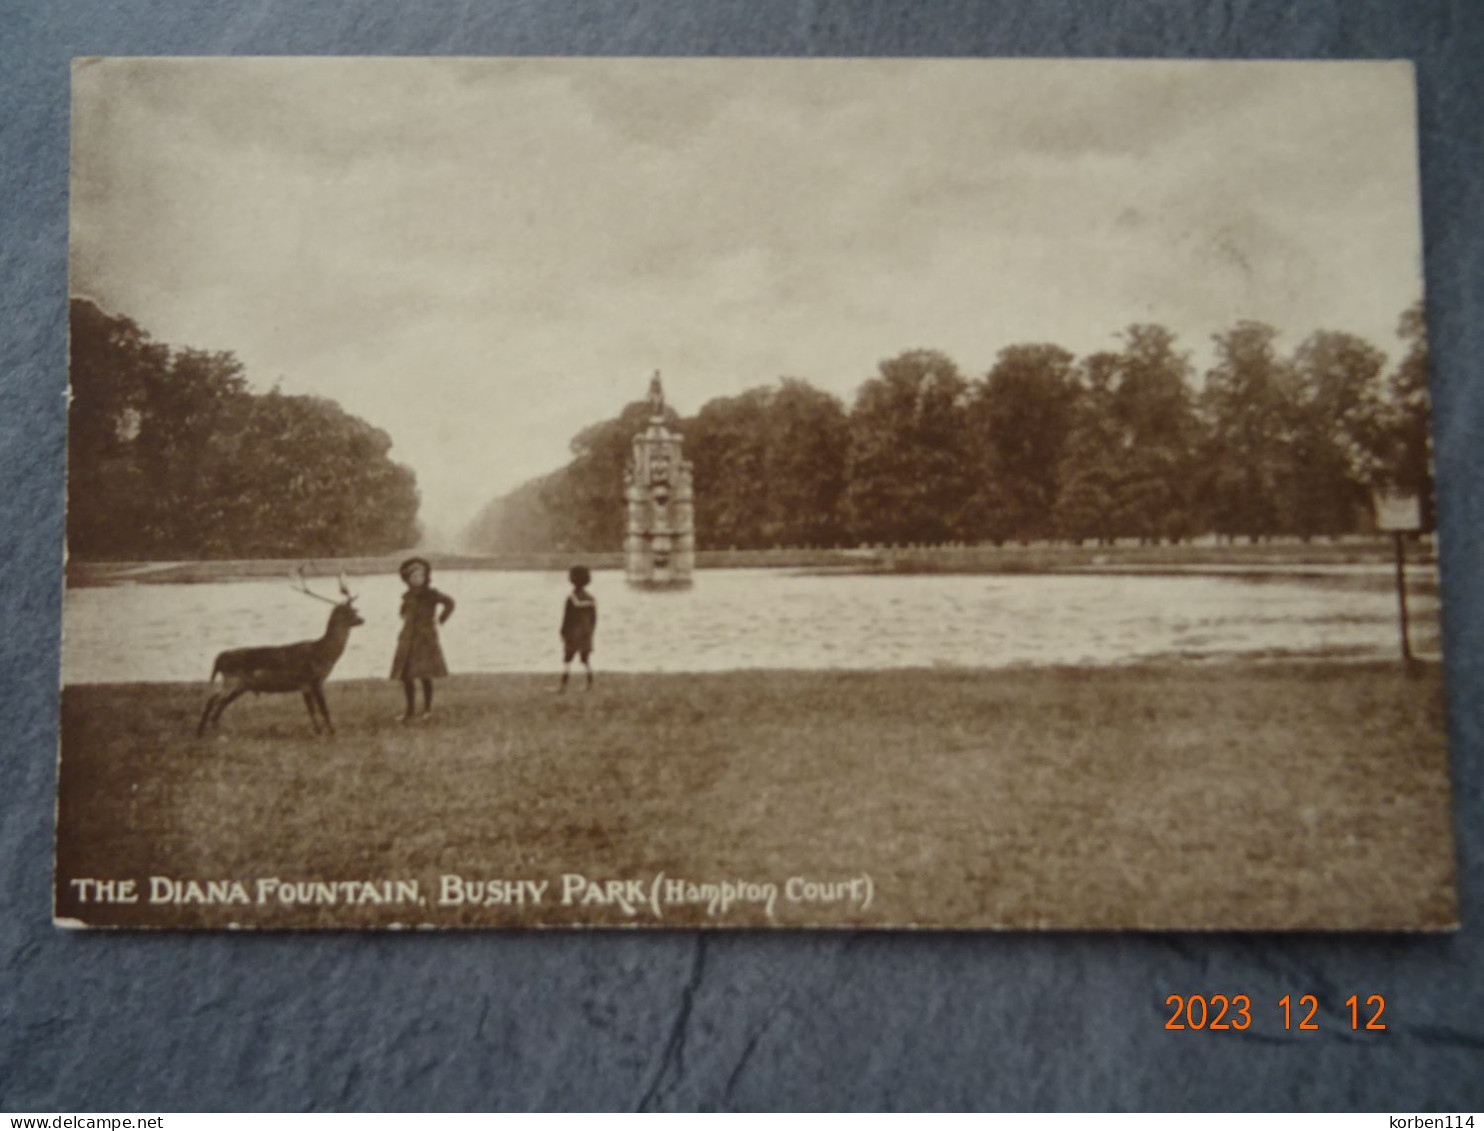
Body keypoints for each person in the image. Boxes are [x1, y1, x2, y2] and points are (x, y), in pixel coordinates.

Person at [390, 557, 455, 721]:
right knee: (406, 676)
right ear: (407, 579)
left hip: (425, 638)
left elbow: (450, 602)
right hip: (408, 638)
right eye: (414, 576)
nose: (418, 579)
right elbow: (403, 613)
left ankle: (427, 710)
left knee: (425, 674)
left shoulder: (432, 594)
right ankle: (409, 711)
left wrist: (441, 618)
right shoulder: (407, 596)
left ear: (426, 577)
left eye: (421, 576)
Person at [559, 565, 597, 691]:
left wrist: (563, 631)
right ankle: (589, 683)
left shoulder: (571, 598)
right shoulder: (591, 599)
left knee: (567, 658)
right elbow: (594, 619)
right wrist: (591, 631)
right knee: (585, 659)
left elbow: (567, 617)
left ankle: (563, 685)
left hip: (574, 632)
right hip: (586, 632)